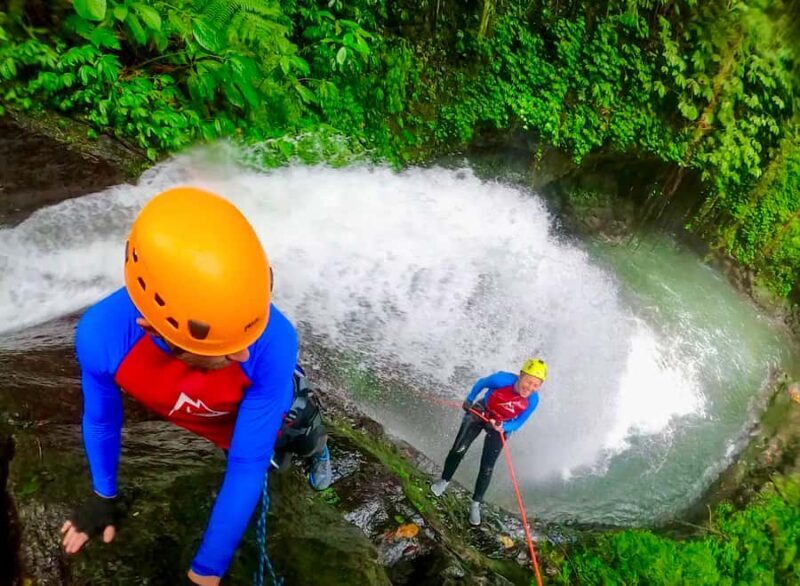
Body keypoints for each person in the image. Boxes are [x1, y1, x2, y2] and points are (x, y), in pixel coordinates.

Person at [61, 186, 328, 586]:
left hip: (270, 407)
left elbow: (247, 464)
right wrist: (103, 495)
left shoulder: (273, 342)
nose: (243, 354)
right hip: (216, 420)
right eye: (221, 348)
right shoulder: (103, 338)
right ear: (153, 329)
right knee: (264, 455)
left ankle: (320, 451)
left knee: (302, 432)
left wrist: (205, 572)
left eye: (245, 337)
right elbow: (101, 420)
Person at [430, 359, 547, 526]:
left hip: (501, 423)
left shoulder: (533, 400)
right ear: (521, 375)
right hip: (482, 411)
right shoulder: (502, 380)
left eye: (536, 385)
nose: (530, 387)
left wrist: (503, 426)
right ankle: (444, 481)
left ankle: (475, 504)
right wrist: (469, 399)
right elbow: (481, 383)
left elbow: (519, 422)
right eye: (528, 381)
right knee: (458, 449)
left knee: (487, 467)